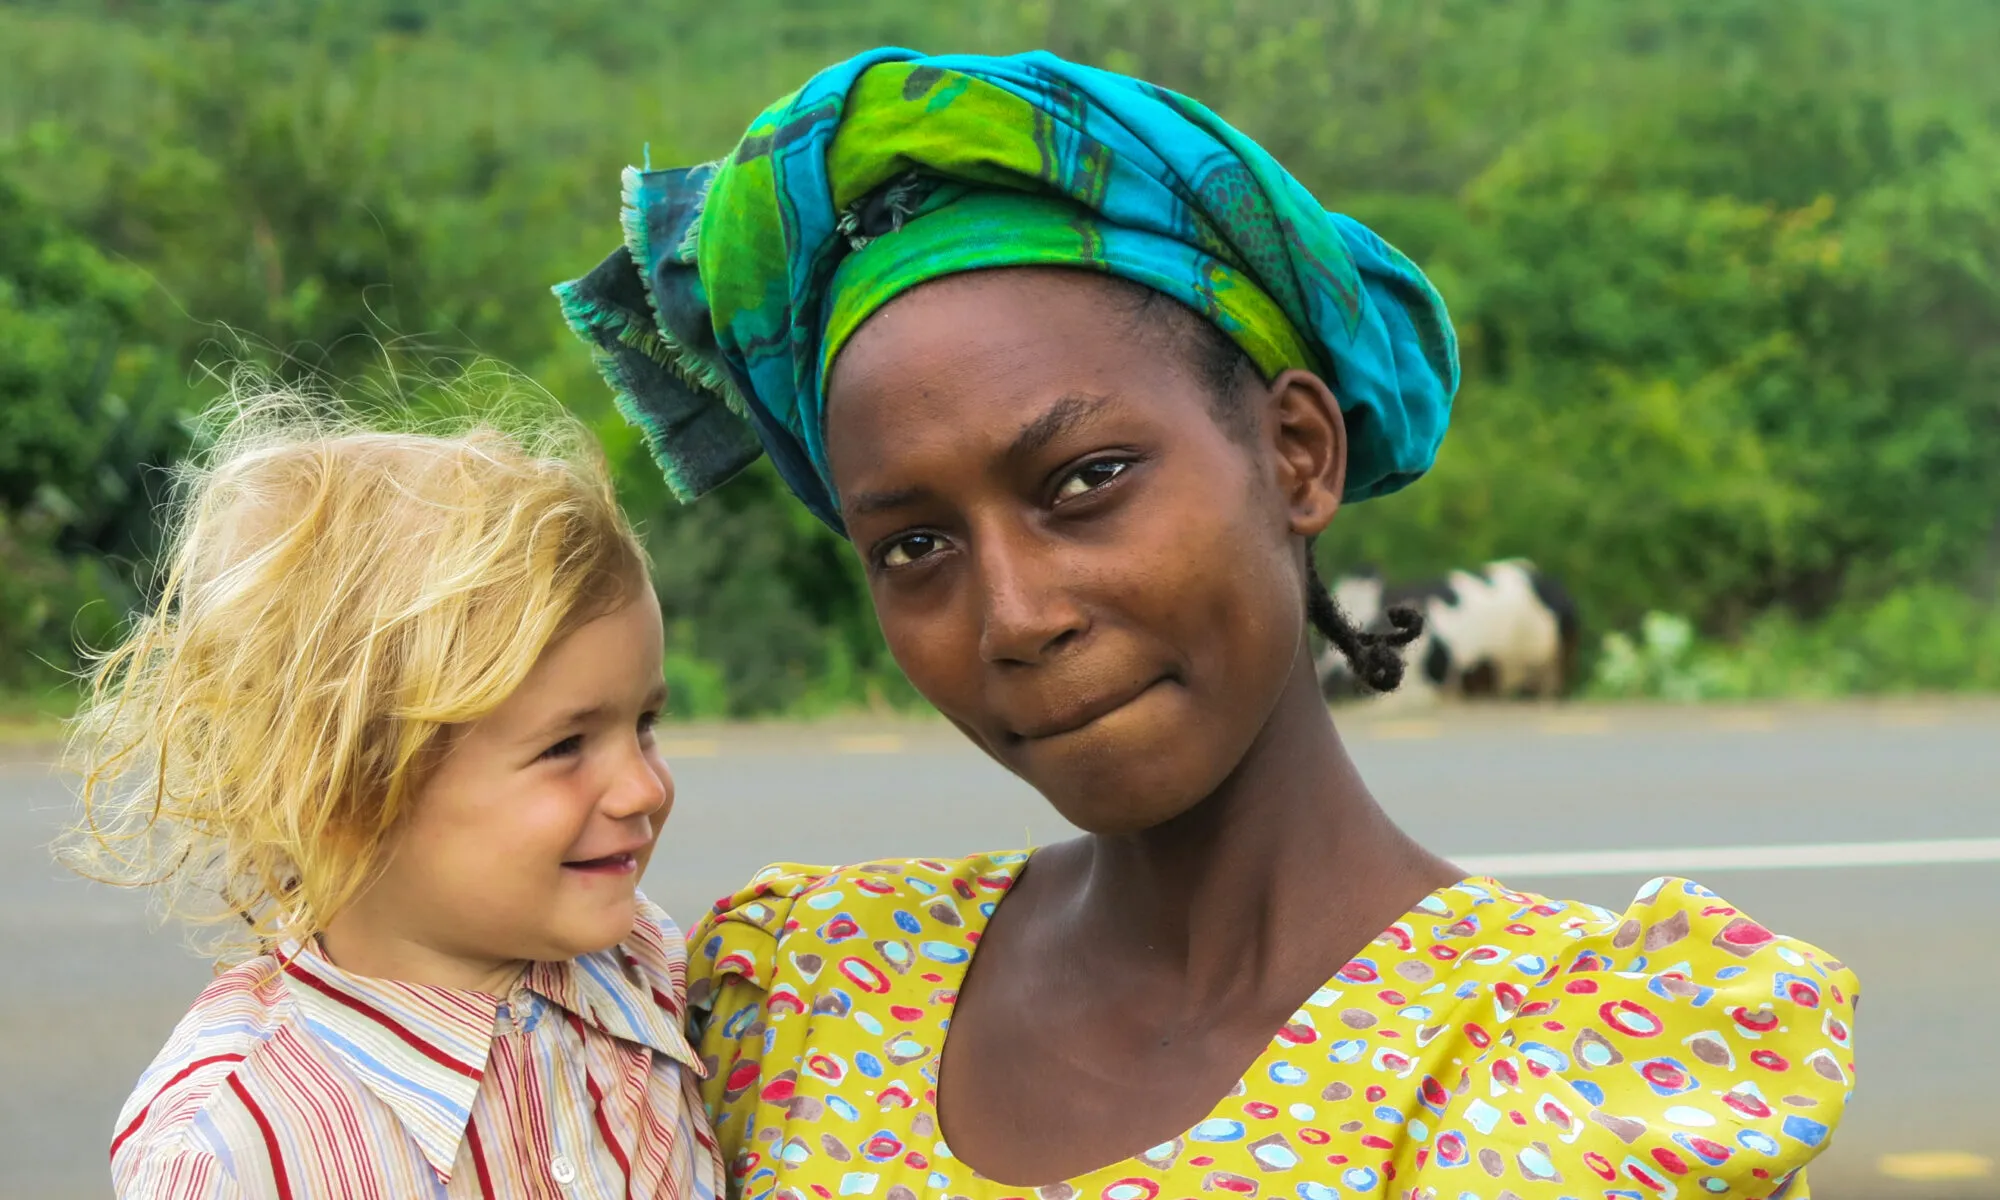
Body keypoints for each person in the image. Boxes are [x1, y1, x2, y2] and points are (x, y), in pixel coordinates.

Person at [557, 49, 1857, 1200]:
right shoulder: (802, 996)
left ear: (1297, 453)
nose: (1013, 616)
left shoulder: (1556, 1063)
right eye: (915, 546)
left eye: (1085, 481)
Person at [62, 392, 723, 1199]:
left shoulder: (645, 963)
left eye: (645, 724)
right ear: (339, 790)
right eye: (565, 746)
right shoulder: (235, 1153)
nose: (644, 787)